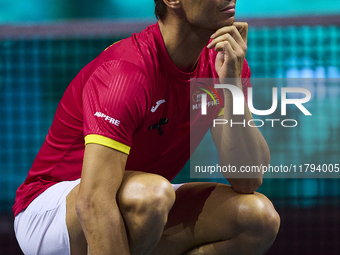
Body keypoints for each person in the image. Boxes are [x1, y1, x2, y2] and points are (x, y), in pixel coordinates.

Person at [13, 0, 280, 254]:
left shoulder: (222, 65)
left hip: (142, 201)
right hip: (51, 212)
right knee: (151, 195)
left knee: (257, 218)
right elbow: (93, 201)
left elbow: (248, 179)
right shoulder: (126, 72)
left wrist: (230, 85)